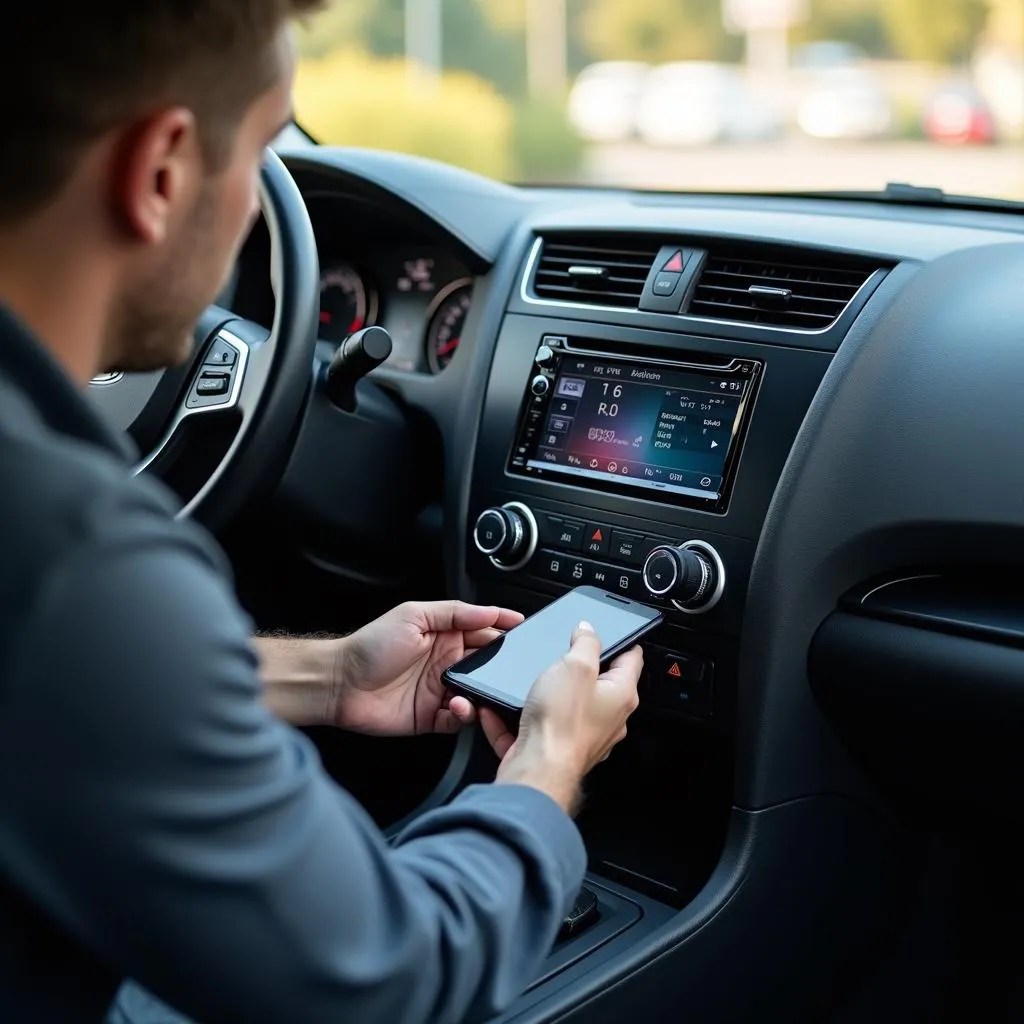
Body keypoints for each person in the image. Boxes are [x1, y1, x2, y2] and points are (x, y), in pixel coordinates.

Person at [0, 4, 645, 1023]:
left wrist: (329, 670)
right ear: (161, 171)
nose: (261, 209)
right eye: (261, 154)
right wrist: (541, 772)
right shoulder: (67, 558)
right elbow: (391, 978)